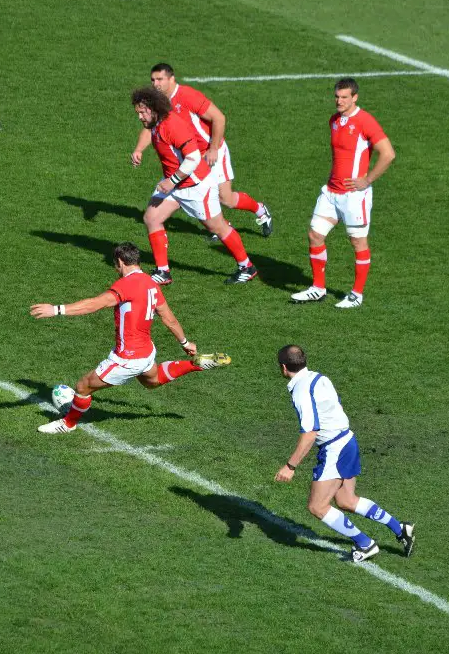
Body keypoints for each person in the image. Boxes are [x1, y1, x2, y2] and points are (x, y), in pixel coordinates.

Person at [30, 242, 231, 434]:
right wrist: (185, 343)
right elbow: (169, 319)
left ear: (120, 261)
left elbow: (96, 303)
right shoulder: (151, 283)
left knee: (83, 386)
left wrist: (56, 309)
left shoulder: (126, 285)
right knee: (153, 381)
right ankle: (196, 364)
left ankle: (68, 424)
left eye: (115, 264)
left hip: (128, 358)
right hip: (146, 351)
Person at [273, 344, 414, 562]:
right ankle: (401, 528)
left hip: (334, 448)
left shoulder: (301, 391)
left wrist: (290, 466)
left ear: (283, 368)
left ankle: (365, 544)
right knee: (347, 500)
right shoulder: (320, 377)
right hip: (348, 439)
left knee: (317, 506)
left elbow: (310, 433)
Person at [131, 87, 258, 286]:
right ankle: (163, 272)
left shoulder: (172, 125)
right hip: (176, 185)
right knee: (151, 217)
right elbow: (149, 133)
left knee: (218, 227)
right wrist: (139, 150)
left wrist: (171, 181)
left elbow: (193, 158)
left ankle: (247, 267)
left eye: (141, 112)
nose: (139, 116)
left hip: (195, 187)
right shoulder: (156, 123)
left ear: (154, 109)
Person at [132, 63, 274, 238]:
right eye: (153, 80)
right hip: (190, 156)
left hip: (211, 152)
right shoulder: (158, 102)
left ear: (171, 79)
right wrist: (139, 149)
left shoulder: (187, 96)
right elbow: (150, 127)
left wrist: (213, 149)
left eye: (160, 79)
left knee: (225, 199)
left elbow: (219, 118)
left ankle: (260, 210)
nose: (155, 84)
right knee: (195, 193)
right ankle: (219, 226)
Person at [291, 78, 395, 308]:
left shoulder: (365, 121)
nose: (339, 101)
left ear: (355, 97)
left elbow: (388, 153)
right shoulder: (335, 120)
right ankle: (318, 288)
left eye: (344, 97)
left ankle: (357, 295)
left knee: (357, 242)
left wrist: (367, 180)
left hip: (354, 196)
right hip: (331, 192)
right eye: (337, 96)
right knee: (315, 235)